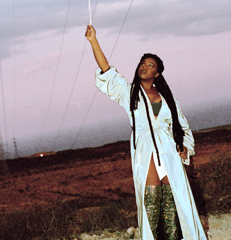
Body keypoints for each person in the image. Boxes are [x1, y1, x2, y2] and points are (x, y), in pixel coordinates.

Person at [85, 25, 207, 240]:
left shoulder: (167, 98)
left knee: (174, 205)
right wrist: (94, 41)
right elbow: (107, 71)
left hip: (169, 151)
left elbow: (182, 125)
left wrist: (185, 148)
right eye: (142, 63)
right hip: (144, 150)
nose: (144, 67)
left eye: (150, 65)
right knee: (150, 203)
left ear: (156, 73)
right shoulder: (129, 93)